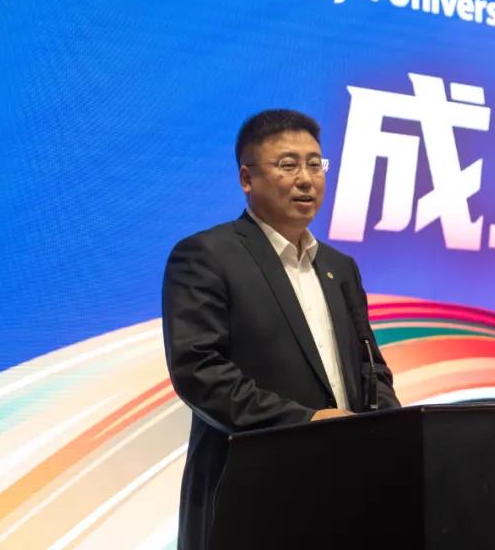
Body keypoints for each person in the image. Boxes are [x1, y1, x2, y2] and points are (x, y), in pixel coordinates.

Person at [162, 109, 400, 550]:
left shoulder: (340, 267)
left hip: (346, 489)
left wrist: (394, 434)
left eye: (315, 164)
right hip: (250, 490)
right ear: (246, 178)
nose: (306, 179)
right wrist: (305, 423)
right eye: (288, 165)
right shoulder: (206, 256)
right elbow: (199, 371)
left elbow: (371, 369)